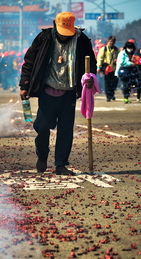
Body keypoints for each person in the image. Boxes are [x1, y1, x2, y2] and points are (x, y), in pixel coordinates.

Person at [19, 12, 96, 175]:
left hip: (69, 91)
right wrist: (24, 85)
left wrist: (90, 78)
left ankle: (61, 164)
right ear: (56, 26)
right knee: (43, 126)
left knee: (66, 128)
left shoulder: (81, 40)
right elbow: (29, 62)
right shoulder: (44, 37)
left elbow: (92, 64)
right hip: (47, 89)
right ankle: (42, 155)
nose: (64, 36)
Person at [115, 39, 138, 104]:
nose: (130, 49)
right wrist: (131, 63)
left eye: (131, 48)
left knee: (130, 84)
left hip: (131, 71)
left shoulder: (134, 54)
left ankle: (127, 96)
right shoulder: (122, 53)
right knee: (125, 84)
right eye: (129, 48)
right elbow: (121, 62)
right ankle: (125, 97)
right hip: (124, 71)